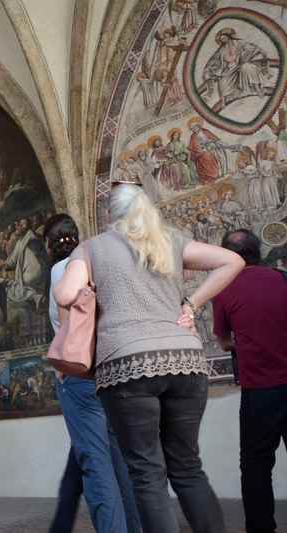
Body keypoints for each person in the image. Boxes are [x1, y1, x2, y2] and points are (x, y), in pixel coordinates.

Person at [54, 178, 243, 533]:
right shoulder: (169, 242)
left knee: (147, 473)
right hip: (185, 362)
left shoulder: (92, 248)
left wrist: (87, 283)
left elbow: (65, 294)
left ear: (109, 214)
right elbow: (231, 261)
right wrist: (192, 303)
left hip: (127, 367)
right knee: (187, 467)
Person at [44, 214, 140, 533]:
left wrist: (62, 362)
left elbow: (65, 321)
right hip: (113, 369)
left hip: (81, 374)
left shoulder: (62, 269)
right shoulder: (96, 262)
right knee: (121, 461)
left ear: (48, 245)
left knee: (95, 464)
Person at [212, 229, 287, 533]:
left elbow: (223, 341)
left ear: (228, 256)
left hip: (259, 393)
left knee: (255, 468)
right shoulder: (283, 278)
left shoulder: (225, 289)